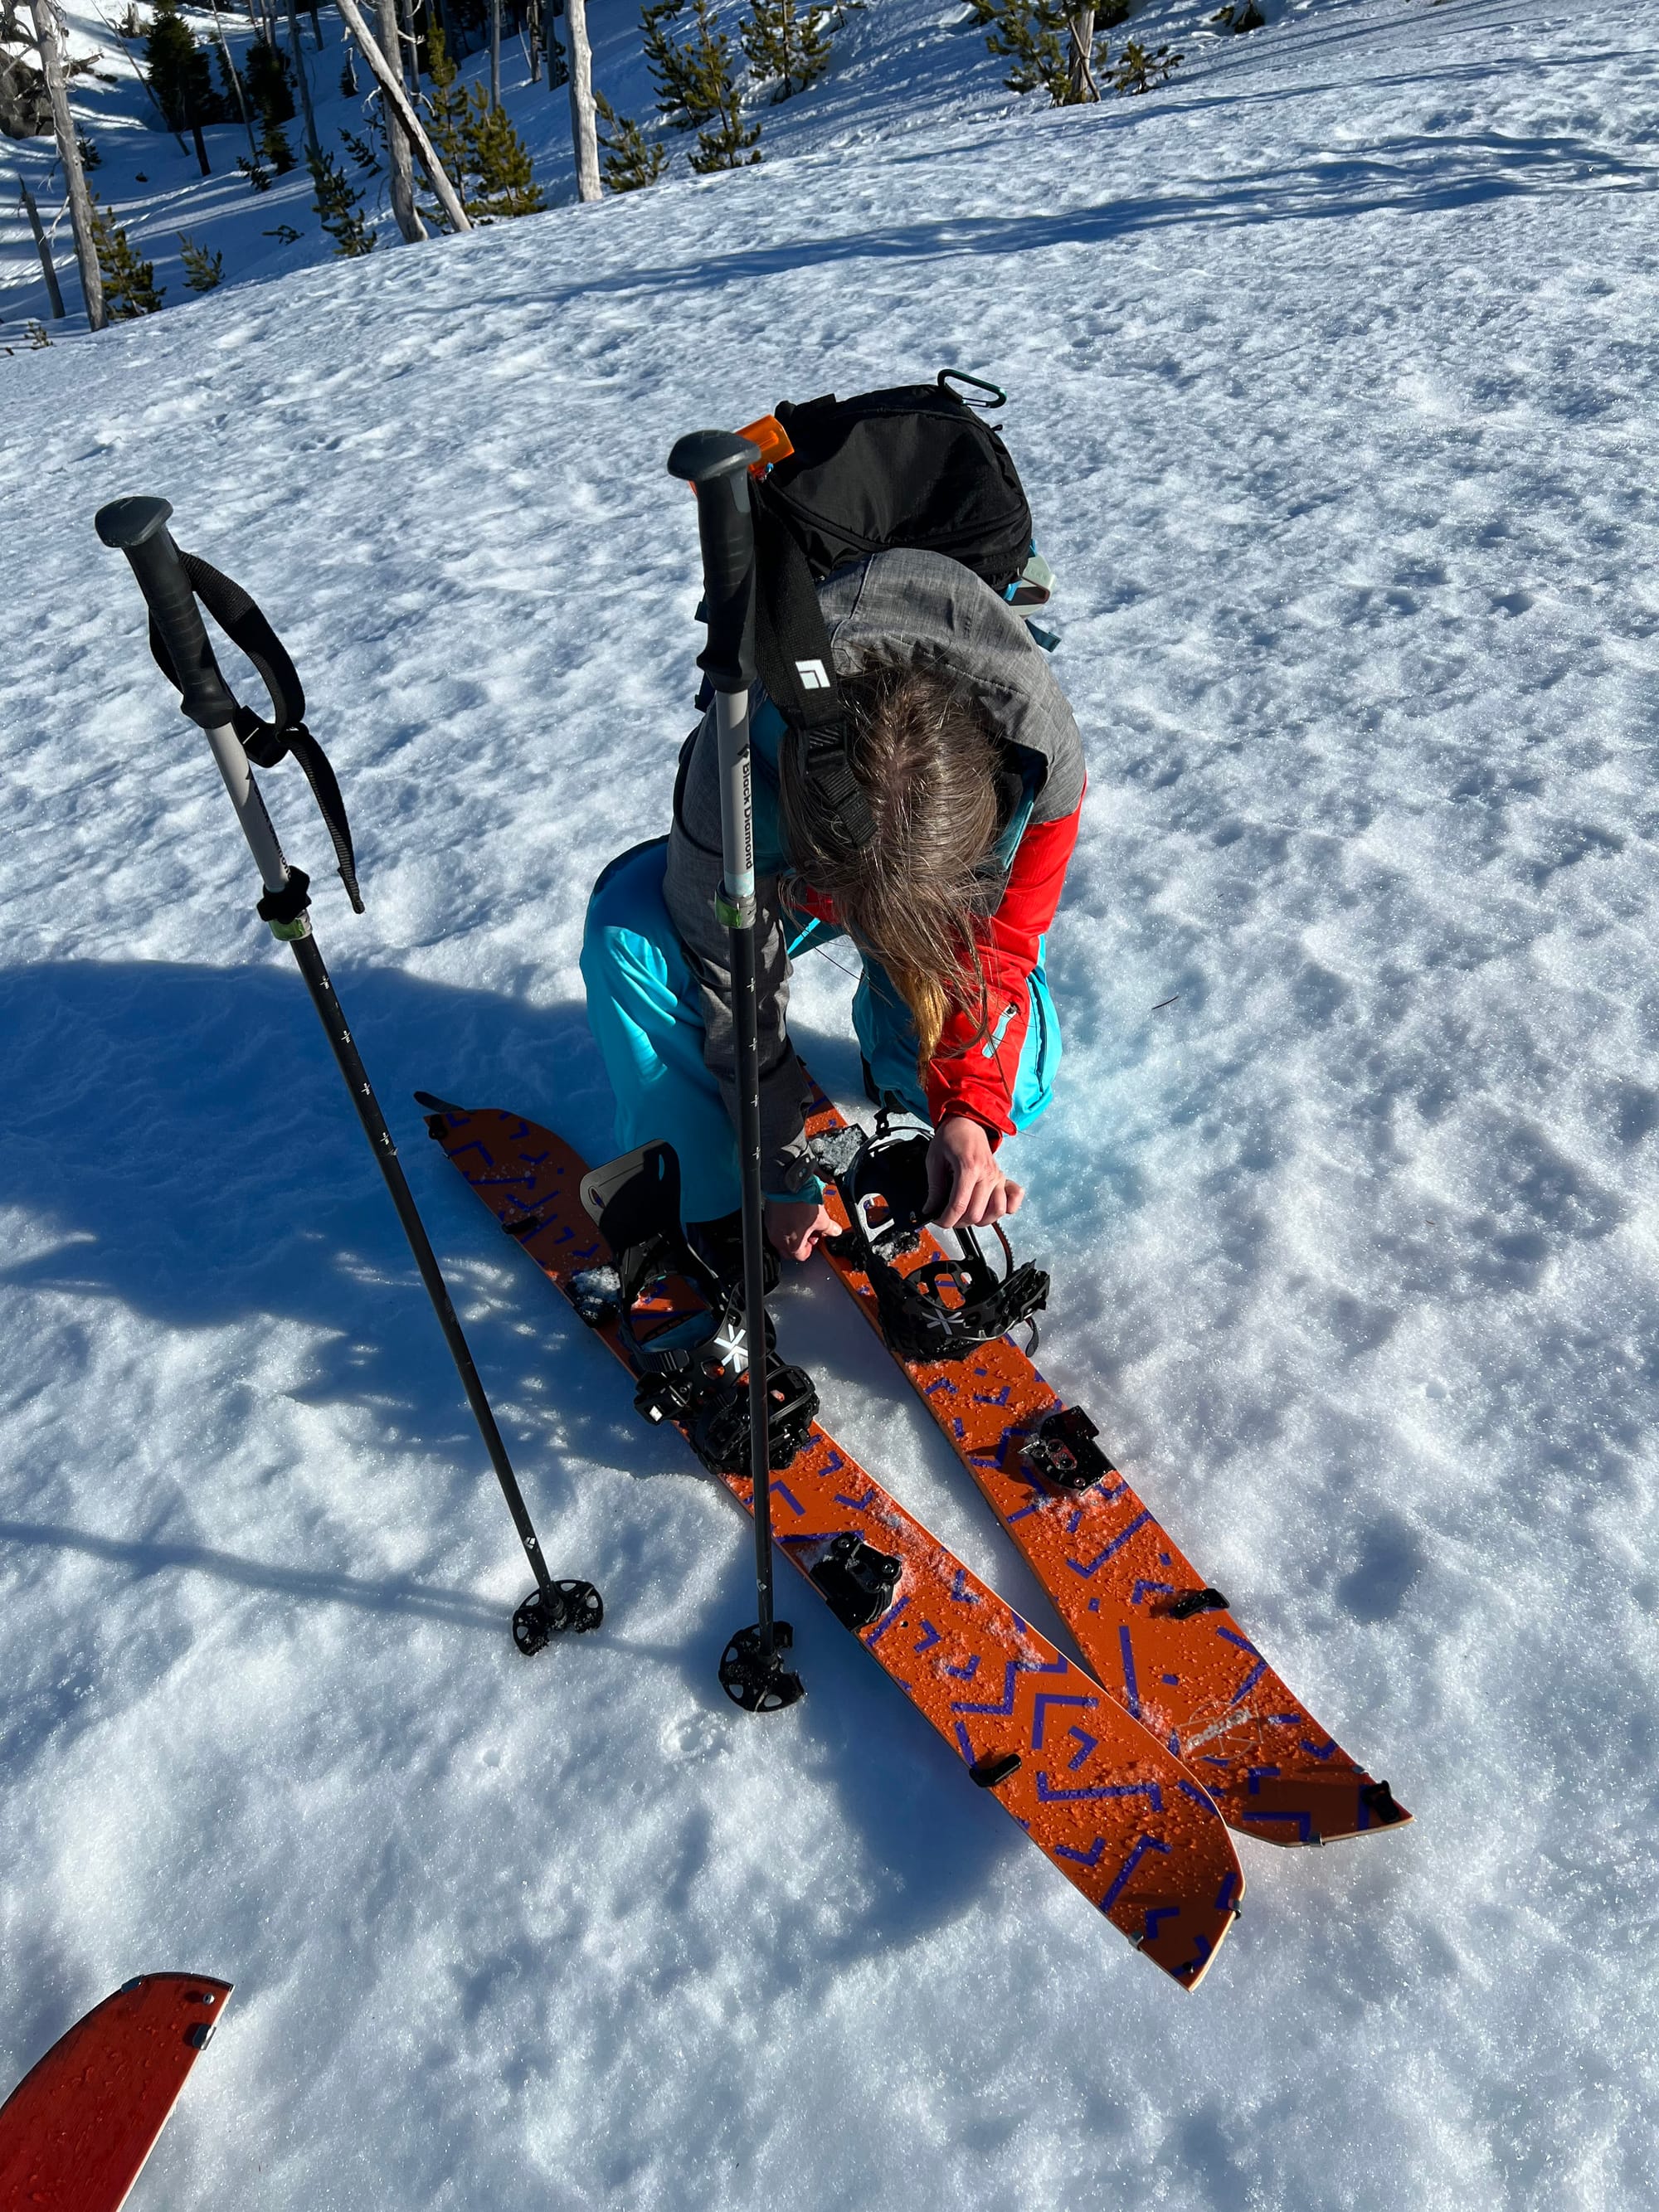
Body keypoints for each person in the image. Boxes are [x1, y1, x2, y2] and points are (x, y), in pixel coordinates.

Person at [579, 542, 1084, 1281]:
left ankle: (898, 1054)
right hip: (788, 860)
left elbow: (1003, 947)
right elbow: (728, 971)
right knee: (628, 934)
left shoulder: (1043, 762)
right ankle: (715, 1189)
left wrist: (969, 1113)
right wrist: (779, 1176)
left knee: (1018, 1087)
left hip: (924, 873)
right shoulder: (738, 759)